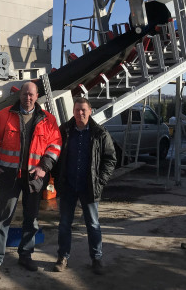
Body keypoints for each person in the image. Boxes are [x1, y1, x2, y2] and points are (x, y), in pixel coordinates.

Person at [0, 81, 62, 277]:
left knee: (31, 219)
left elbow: (55, 146)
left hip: (34, 178)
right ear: (20, 95)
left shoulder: (48, 120)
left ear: (37, 97)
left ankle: (26, 255)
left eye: (32, 95)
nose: (28, 98)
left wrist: (44, 168)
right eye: (25, 94)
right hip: (9, 177)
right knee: (2, 219)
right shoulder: (4, 115)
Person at [52, 97, 117, 275]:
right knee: (64, 224)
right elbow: (54, 155)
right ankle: (62, 257)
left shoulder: (99, 133)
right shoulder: (64, 131)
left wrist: (101, 180)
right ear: (73, 111)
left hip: (89, 186)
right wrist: (57, 178)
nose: (80, 113)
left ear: (90, 111)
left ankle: (96, 258)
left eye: (83, 110)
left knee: (93, 224)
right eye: (77, 110)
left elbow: (110, 159)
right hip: (68, 186)